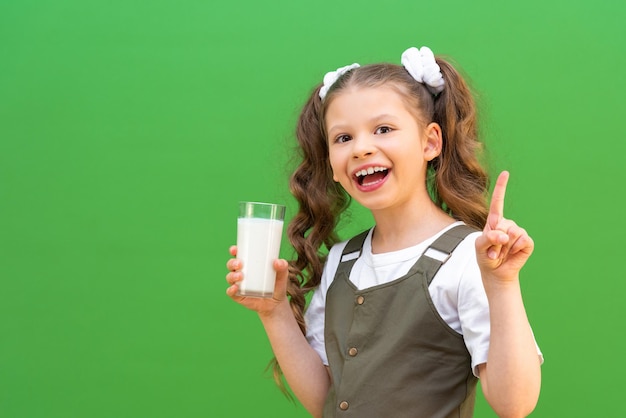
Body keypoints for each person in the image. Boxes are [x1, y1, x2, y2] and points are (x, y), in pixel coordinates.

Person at [225, 45, 543, 418]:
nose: (361, 148)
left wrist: (503, 285)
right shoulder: (342, 261)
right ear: (330, 160)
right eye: (343, 138)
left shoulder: (469, 257)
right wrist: (274, 310)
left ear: (430, 142)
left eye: (383, 129)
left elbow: (515, 404)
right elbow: (325, 399)